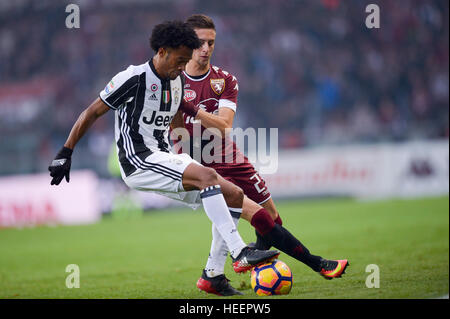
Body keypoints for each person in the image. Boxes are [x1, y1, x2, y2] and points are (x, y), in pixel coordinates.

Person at [48, 20, 281, 276]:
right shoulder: (132, 78)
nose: (183, 67)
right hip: (138, 160)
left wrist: (185, 154)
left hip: (163, 155)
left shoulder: (176, 80)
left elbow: (177, 123)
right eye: (179, 60)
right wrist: (66, 151)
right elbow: (91, 112)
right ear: (162, 52)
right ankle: (240, 252)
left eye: (185, 61)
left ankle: (213, 275)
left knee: (233, 195)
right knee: (208, 177)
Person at [170, 14, 349, 296]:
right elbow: (176, 131)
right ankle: (318, 264)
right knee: (251, 212)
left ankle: (235, 271)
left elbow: (225, 124)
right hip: (198, 160)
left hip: (228, 155)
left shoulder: (225, 80)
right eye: (200, 42)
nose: (206, 49)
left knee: (272, 217)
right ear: (187, 43)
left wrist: (191, 110)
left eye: (211, 43)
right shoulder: (172, 81)